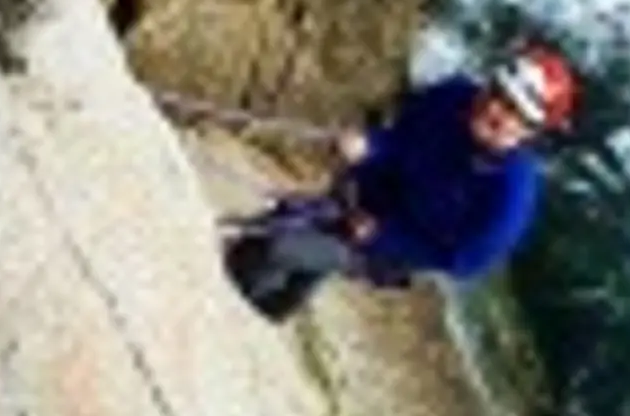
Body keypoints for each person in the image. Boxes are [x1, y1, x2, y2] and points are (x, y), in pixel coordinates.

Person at [221, 44, 578, 324]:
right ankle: (283, 300)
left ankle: (264, 303)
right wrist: (370, 147)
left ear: (531, 132)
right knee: (289, 237)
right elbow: (401, 136)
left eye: (514, 112)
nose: (495, 111)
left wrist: (384, 237)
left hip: (391, 247)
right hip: (367, 192)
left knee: (269, 249)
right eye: (498, 94)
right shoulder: (452, 98)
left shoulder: (509, 198)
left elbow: (462, 260)